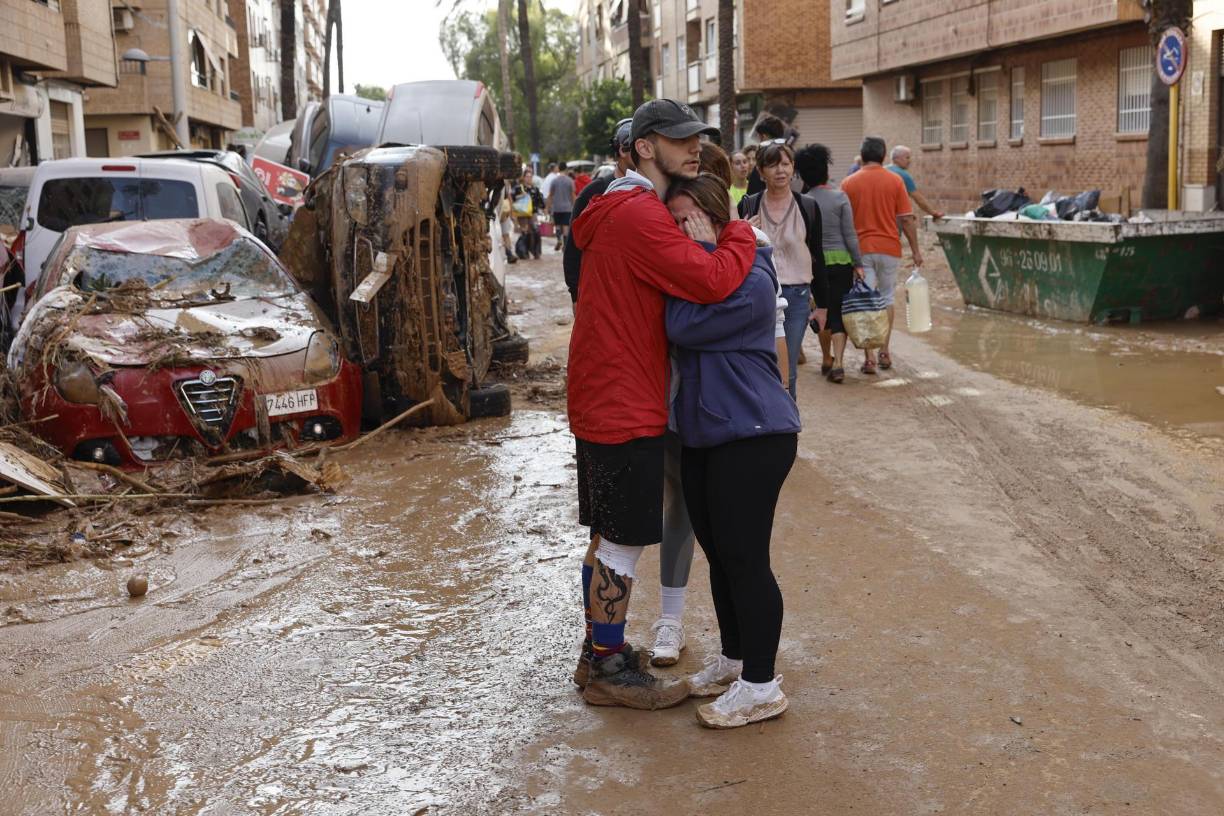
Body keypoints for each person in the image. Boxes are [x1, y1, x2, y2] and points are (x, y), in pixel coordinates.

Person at [568, 98, 757, 710]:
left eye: (696, 137)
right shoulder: (640, 214)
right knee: (621, 541)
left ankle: (603, 651)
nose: (693, 147)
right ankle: (607, 670)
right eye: (680, 139)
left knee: (607, 536)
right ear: (645, 147)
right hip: (625, 397)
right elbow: (710, 281)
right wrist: (737, 233)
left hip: (603, 390)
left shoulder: (611, 205)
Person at [663, 173, 801, 728]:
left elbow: (681, 324)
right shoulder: (699, 272)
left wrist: (699, 254)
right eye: (672, 220)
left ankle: (762, 685)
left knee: (746, 559)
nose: (679, 230)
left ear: (716, 220)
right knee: (721, 555)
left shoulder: (753, 277)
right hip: (705, 433)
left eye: (689, 219)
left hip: (755, 433)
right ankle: (735, 660)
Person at [738, 143, 826, 399]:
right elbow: (735, 252)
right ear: (761, 171)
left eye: (786, 164)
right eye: (773, 165)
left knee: (787, 369)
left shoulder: (807, 206)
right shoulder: (750, 206)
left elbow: (817, 256)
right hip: (760, 295)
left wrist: (823, 306)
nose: (780, 170)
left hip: (797, 297)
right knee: (760, 362)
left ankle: (787, 425)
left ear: (793, 168)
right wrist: (742, 231)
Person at [841, 136, 923, 374]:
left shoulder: (848, 183)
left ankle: (869, 357)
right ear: (884, 156)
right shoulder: (896, 181)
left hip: (860, 251)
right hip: (889, 248)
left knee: (867, 299)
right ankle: (885, 351)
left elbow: (843, 221)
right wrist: (916, 251)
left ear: (862, 154)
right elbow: (906, 219)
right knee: (886, 298)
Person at [795, 143, 862, 384]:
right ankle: (840, 364)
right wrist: (859, 263)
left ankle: (826, 358)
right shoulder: (839, 196)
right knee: (837, 311)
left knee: (820, 309)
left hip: (813, 265)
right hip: (841, 262)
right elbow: (850, 235)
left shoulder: (802, 200)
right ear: (825, 170)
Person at [564, 118, 633, 305]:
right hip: (601, 298)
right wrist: (576, 296)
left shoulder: (658, 189)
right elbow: (574, 248)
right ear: (623, 150)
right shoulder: (594, 192)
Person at [887, 146, 944, 220]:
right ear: (896, 159)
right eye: (907, 158)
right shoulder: (903, 175)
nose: (909, 161)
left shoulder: (883, 170)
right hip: (894, 217)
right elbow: (918, 198)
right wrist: (933, 213)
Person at [510, 168, 545, 260]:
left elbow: (540, 202)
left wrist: (544, 210)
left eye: (530, 176)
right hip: (522, 213)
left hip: (533, 213)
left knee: (535, 230)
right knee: (525, 232)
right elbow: (511, 198)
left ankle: (535, 251)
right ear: (523, 177)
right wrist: (521, 196)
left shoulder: (535, 189)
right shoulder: (518, 188)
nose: (529, 178)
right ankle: (523, 251)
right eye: (527, 176)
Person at [548, 162, 576, 251]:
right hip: (567, 208)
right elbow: (573, 195)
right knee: (566, 227)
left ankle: (559, 239)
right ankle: (565, 245)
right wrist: (575, 206)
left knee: (557, 226)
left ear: (559, 169)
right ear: (566, 169)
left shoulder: (554, 181)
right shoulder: (570, 181)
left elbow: (550, 195)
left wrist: (548, 207)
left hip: (556, 207)